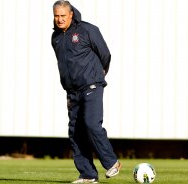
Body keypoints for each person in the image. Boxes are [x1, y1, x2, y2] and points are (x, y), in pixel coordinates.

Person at [51, 1, 121, 183]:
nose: (59, 19)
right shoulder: (55, 38)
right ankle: (88, 175)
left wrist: (100, 73)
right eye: (56, 16)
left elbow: (105, 54)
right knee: (75, 133)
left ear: (71, 14)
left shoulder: (87, 30)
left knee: (91, 123)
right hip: (72, 92)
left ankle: (112, 162)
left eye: (63, 16)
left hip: (91, 86)